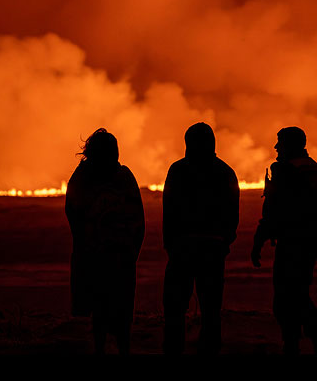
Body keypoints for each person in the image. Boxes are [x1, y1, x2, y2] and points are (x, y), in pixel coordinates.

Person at [64, 128, 145, 355]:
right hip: (116, 257)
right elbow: (138, 219)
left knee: (101, 310)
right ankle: (120, 349)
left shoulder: (81, 178)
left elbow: (72, 214)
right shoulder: (122, 177)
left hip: (99, 257)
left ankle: (104, 348)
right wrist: (131, 251)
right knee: (118, 309)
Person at [162, 122, 240, 355]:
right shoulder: (225, 171)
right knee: (210, 308)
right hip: (212, 249)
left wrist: (171, 244)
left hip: (183, 249)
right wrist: (224, 241)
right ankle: (209, 349)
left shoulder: (178, 170)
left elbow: (169, 210)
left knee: (175, 307)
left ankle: (174, 350)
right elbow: (233, 213)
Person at [250, 126, 317, 355]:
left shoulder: (287, 171)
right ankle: (310, 341)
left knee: (289, 296)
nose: (276, 148)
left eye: (280, 143)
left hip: (292, 241)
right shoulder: (313, 168)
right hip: (309, 239)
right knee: (296, 291)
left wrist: (259, 240)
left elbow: (275, 210)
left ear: (290, 145)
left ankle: (299, 342)